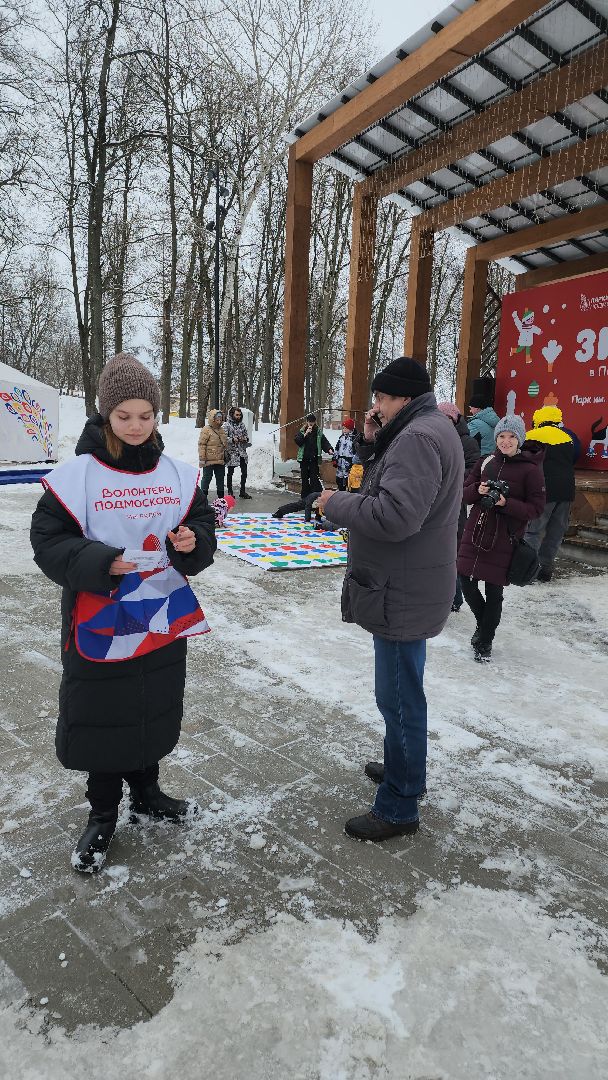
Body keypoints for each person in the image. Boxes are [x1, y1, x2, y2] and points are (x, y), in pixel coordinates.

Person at [29, 353, 216, 873]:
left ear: (157, 417)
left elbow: (202, 530)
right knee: (103, 714)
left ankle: (149, 792)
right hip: (100, 615)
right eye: (124, 416)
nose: (136, 426)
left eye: (146, 416)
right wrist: (101, 561)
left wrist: (190, 540)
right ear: (106, 415)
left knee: (152, 702)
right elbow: (47, 542)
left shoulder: (177, 475)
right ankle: (103, 813)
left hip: (161, 611)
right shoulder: (78, 477)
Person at [315, 357, 464, 842]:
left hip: (402, 590)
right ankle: (406, 769)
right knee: (403, 694)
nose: (375, 406)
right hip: (411, 584)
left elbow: (396, 516)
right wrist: (373, 438)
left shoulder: (418, 438)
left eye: (380, 398)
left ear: (401, 397)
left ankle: (399, 804)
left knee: (398, 699)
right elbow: (396, 486)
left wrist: (334, 504)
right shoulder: (425, 428)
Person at [457, 415, 545, 663]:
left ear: (520, 439)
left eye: (511, 437)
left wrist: (506, 503)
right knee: (465, 579)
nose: (506, 441)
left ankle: (485, 641)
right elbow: (464, 493)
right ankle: (484, 626)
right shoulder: (486, 462)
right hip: (475, 531)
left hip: (505, 538)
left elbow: (536, 509)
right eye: (502, 436)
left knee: (494, 592)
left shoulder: (531, 470)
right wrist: (478, 490)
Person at [523, 405, 577, 582]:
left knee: (533, 531)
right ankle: (545, 569)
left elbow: (524, 462)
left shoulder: (533, 436)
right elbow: (574, 458)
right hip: (567, 490)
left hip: (543, 490)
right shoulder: (569, 437)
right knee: (556, 531)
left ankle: (528, 571)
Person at [437, 402, 481, 611]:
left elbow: (473, 472)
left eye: (445, 418)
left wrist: (449, 478)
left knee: (450, 552)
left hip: (455, 502)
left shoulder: (467, 442)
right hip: (433, 502)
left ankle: (454, 598)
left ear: (454, 419)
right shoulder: (433, 438)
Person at [294, 413, 333, 497]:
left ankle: (313, 496)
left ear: (315, 422)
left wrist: (329, 449)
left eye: (312, 422)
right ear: (307, 422)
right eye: (309, 422)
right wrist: (305, 434)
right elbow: (298, 441)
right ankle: (304, 497)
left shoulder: (318, 432)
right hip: (304, 459)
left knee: (314, 479)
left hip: (314, 459)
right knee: (304, 479)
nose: (311, 423)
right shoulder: (302, 430)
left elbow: (324, 442)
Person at [223, 406, 252, 500]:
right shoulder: (226, 425)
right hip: (232, 453)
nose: (238, 417)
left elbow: (247, 436)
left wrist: (245, 439)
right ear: (232, 414)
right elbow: (223, 438)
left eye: (240, 415)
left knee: (244, 472)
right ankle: (230, 492)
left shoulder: (242, 425)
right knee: (230, 472)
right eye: (237, 415)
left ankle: (242, 491)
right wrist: (232, 439)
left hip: (242, 452)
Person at [198, 409, 228, 499]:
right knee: (207, 478)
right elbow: (202, 444)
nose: (219, 419)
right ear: (212, 418)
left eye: (220, 417)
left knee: (220, 479)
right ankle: (203, 498)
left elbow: (224, 444)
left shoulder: (222, 430)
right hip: (208, 460)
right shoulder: (206, 429)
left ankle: (221, 498)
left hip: (220, 460)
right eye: (217, 417)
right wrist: (202, 458)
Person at [332, 417, 358, 490]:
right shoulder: (341, 438)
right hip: (340, 463)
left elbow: (356, 452)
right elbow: (337, 448)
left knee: (348, 480)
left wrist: (353, 462)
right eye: (343, 428)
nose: (344, 430)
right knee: (339, 480)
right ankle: (341, 492)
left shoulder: (354, 439)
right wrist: (335, 458)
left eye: (346, 428)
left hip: (349, 463)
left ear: (351, 429)